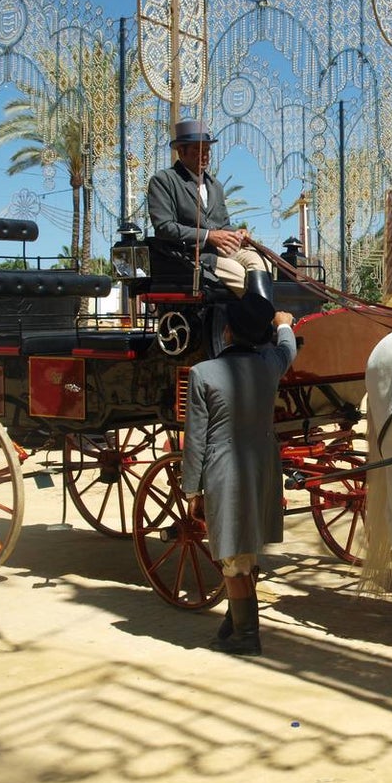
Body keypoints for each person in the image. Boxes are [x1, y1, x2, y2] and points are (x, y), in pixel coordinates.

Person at [182, 295, 298, 656]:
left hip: (223, 473)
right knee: (246, 550)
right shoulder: (270, 364)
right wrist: (283, 324)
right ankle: (234, 624)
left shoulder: (203, 374)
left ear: (227, 332)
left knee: (233, 558)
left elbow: (196, 442)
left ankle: (247, 635)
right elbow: (288, 348)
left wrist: (191, 492)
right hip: (263, 469)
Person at [148, 119, 270, 297]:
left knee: (262, 262)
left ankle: (258, 318)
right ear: (181, 152)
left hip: (222, 251)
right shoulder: (164, 181)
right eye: (198, 150)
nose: (204, 156)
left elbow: (223, 225)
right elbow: (164, 228)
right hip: (190, 256)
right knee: (241, 276)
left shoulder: (215, 186)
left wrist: (237, 233)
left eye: (207, 150)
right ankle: (265, 321)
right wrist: (208, 236)